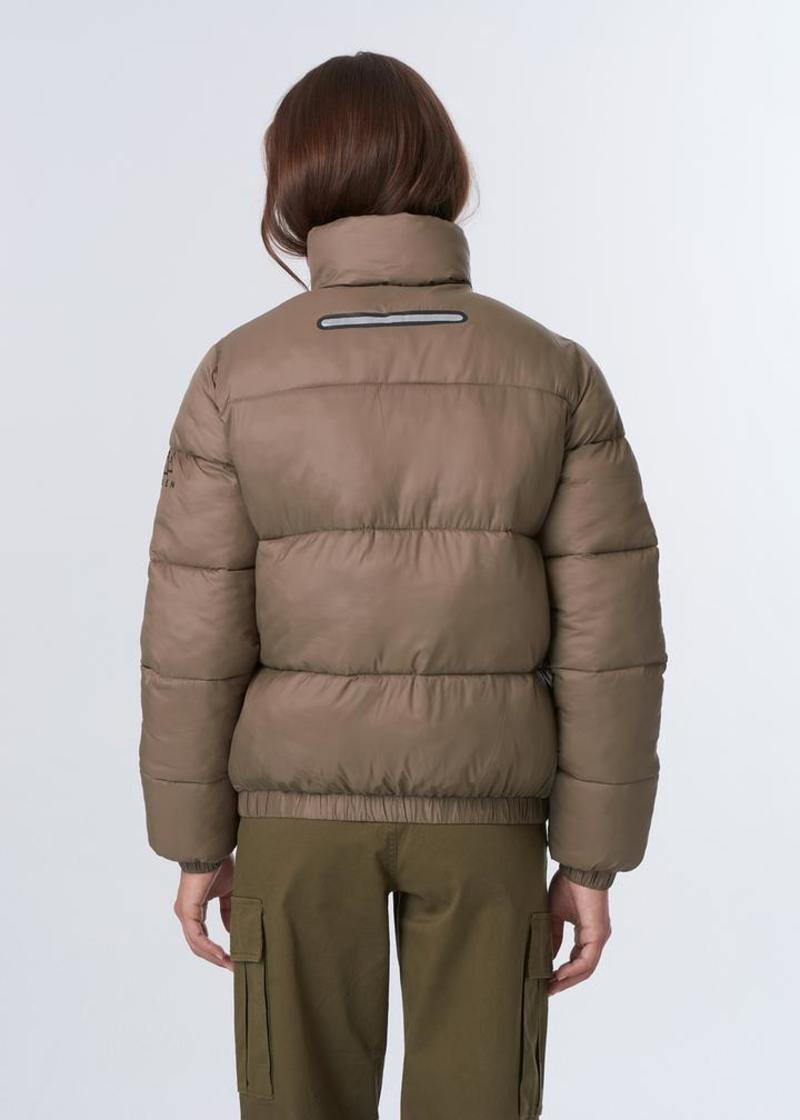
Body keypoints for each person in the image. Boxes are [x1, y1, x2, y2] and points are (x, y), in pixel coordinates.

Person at [138, 51, 666, 1120]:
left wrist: (196, 841)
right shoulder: (552, 372)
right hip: (487, 821)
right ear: (442, 169)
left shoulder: (236, 374)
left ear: (293, 183)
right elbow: (610, 640)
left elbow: (193, 634)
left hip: (294, 817)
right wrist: (592, 861)